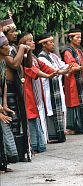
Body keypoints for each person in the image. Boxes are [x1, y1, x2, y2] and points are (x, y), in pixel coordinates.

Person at [19, 32, 61, 153]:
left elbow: (45, 68)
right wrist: (48, 75)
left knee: (35, 116)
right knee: (31, 117)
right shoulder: (23, 58)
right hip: (27, 91)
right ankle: (34, 145)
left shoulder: (34, 57)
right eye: (30, 41)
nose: (33, 43)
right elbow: (33, 70)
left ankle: (39, 145)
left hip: (34, 91)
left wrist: (60, 72)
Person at [0, 18, 32, 163]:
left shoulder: (13, 48)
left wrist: (29, 51)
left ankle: (20, 152)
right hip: (8, 88)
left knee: (19, 121)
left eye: (15, 31)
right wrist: (21, 49)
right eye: (11, 31)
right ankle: (11, 154)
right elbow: (14, 64)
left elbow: (28, 64)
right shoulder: (5, 50)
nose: (15, 34)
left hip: (16, 88)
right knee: (11, 121)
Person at [36, 33, 71, 142]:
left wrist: (71, 66)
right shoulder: (41, 58)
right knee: (51, 110)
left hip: (57, 87)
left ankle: (60, 133)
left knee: (59, 108)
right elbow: (52, 70)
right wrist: (64, 70)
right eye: (50, 42)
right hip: (48, 88)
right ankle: (53, 135)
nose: (52, 44)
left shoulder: (53, 56)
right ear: (43, 44)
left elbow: (62, 65)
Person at [0, 30, 16, 172]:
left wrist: (4, 104)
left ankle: (3, 164)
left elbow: (4, 84)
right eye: (5, 45)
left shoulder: (3, 63)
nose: (9, 47)